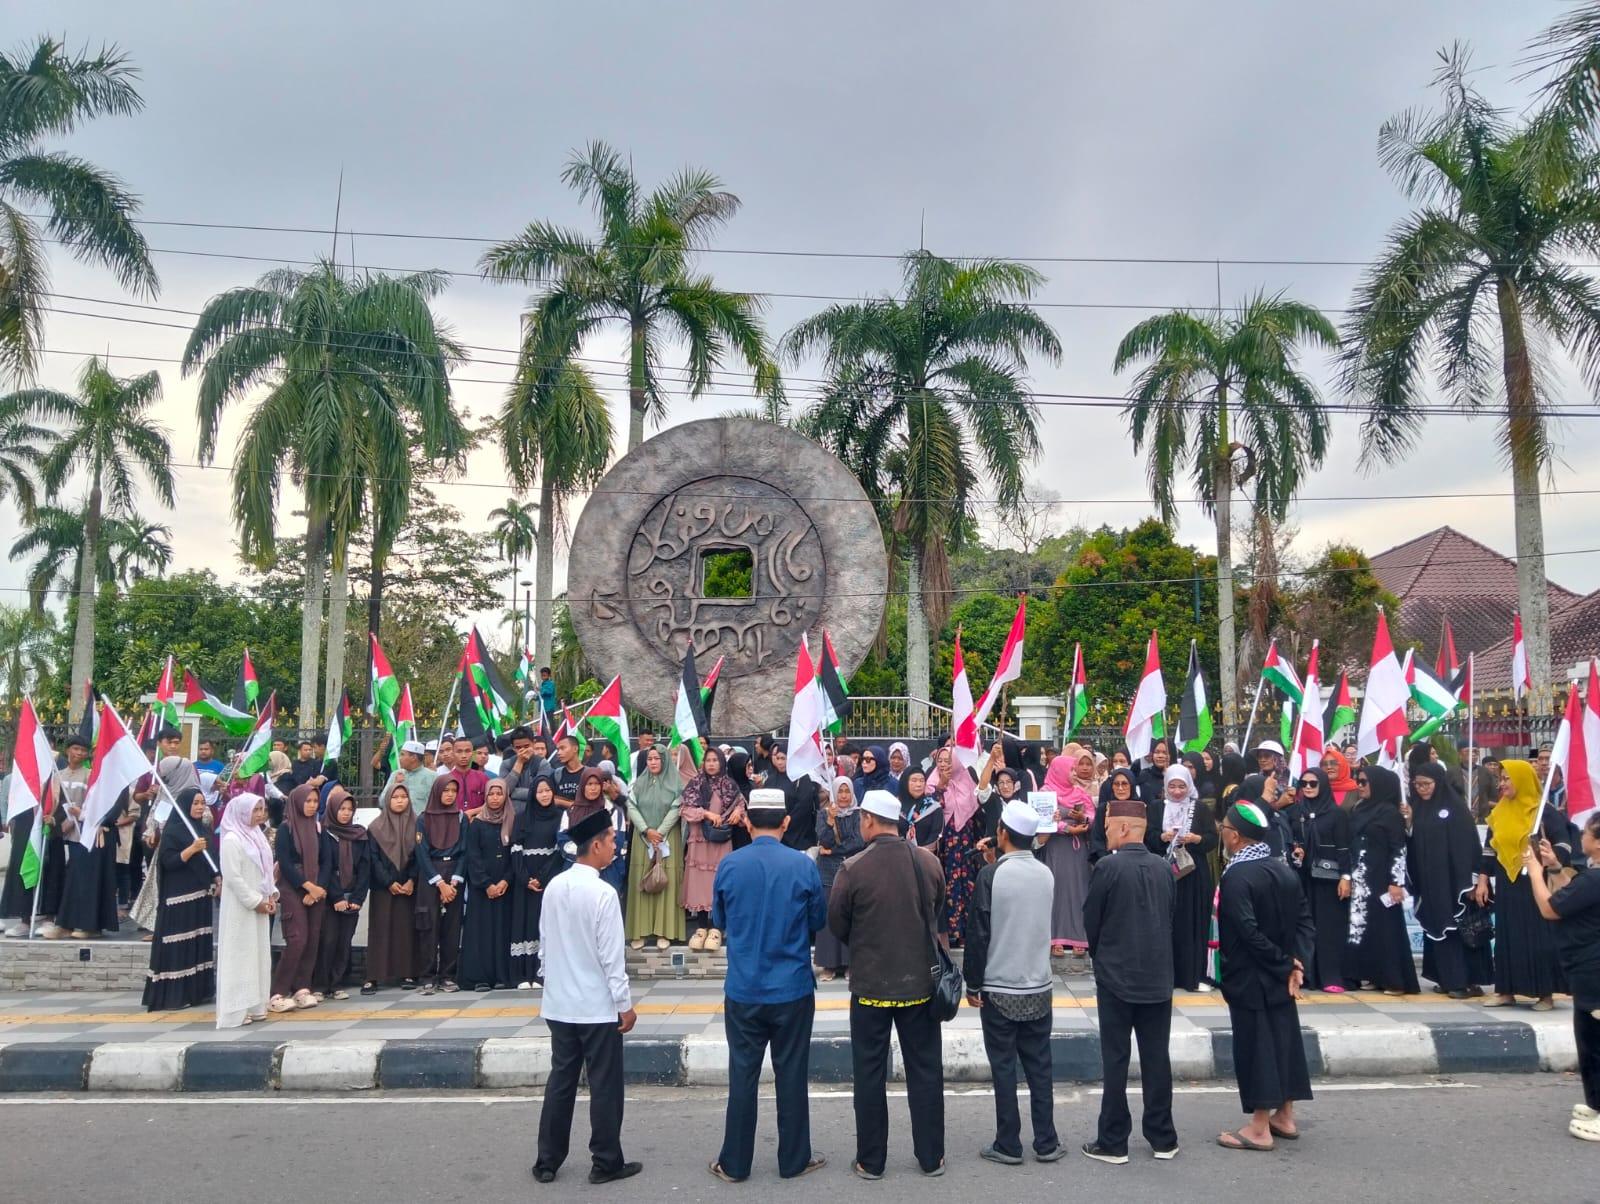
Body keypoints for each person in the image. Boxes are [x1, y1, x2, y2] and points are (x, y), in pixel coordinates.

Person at [708, 789, 828, 1183]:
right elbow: (816, 921)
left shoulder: (729, 865)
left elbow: (720, 921)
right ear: (786, 821)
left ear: (746, 820)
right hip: (792, 988)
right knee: (791, 1074)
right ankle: (794, 1160)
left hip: (743, 988)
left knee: (742, 1075)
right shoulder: (802, 866)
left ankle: (735, 1163)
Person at [827, 788, 947, 1180]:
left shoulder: (853, 868)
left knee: (869, 1074)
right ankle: (931, 1157)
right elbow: (936, 909)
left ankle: (871, 1160)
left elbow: (838, 925)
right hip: (919, 989)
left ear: (868, 820)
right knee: (925, 1071)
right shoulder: (928, 863)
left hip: (871, 991)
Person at [532, 807, 642, 1186]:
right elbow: (612, 957)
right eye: (611, 839)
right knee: (604, 1084)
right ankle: (606, 1161)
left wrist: (551, 985)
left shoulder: (555, 887)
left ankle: (547, 1161)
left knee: (561, 1081)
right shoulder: (603, 893)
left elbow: (544, 946)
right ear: (595, 845)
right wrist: (624, 1004)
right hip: (596, 1007)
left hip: (560, 1004)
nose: (615, 845)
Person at [963, 800, 1062, 1166]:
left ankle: (1008, 1142)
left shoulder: (991, 876)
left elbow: (978, 934)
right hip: (1038, 986)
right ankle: (1047, 1141)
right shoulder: (1046, 873)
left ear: (1002, 833)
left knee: (1004, 1068)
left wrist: (972, 984)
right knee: (1040, 1067)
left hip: (999, 987)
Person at [1081, 793, 1177, 1165]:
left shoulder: (1107, 868)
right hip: (1157, 977)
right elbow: (1170, 916)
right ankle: (1163, 1137)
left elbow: (1092, 920)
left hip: (1116, 978)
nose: (1105, 836)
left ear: (1123, 827)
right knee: (1157, 1058)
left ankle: (1113, 1140)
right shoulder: (1162, 867)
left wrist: (1099, 954)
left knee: (1116, 1059)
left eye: (1106, 828)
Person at [1215, 800, 1315, 1152]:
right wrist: (1296, 963)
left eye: (1224, 828)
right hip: (1280, 976)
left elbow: (1247, 932)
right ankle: (1284, 1115)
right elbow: (1305, 919)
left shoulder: (1238, 876)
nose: (1222, 833)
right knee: (1283, 1040)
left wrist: (1285, 964)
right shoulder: (1281, 868)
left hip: (1252, 976)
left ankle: (1259, 1127)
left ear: (1236, 836)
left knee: (1256, 1047)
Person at [1525, 814, 1600, 1141]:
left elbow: (1551, 908)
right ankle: (1596, 1104)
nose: (1580, 835)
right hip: (1585, 968)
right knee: (1588, 1040)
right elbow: (1572, 897)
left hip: (1594, 969)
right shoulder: (1591, 877)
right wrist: (1554, 866)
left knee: (1596, 1044)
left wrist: (1534, 872)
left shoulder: (1596, 880)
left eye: (1585, 832)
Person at [1476, 759, 1569, 1010]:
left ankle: (1544, 994)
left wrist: (1551, 856)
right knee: (1507, 935)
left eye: (1507, 779)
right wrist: (1483, 880)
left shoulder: (1542, 811)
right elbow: (1489, 848)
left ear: (1522, 780)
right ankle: (1506, 990)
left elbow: (1564, 843)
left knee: (1538, 935)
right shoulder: (1500, 812)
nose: (1502, 783)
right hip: (1509, 880)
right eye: (1501, 779)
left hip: (1536, 881)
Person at [1408, 762, 1490, 998]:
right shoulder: (1418, 808)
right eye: (1417, 784)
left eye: (1426, 784)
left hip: (1454, 882)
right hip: (1430, 882)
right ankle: (1444, 978)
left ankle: (1462, 981)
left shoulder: (1455, 808)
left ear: (1439, 783)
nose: (1422, 789)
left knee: (1455, 928)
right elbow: (1413, 843)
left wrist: (1472, 881)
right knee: (1436, 927)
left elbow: (1468, 846)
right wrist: (1408, 823)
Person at [1344, 765, 1419, 995]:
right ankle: (1374, 974)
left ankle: (1394, 979)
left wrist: (1396, 883)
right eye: (1359, 781)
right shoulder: (1359, 809)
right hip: (1362, 879)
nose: (1360, 785)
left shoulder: (1389, 813)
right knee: (1365, 927)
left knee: (1386, 929)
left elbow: (1398, 849)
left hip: (1382, 880)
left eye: (1365, 782)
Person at [142, 787, 217, 1011]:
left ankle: (197, 991)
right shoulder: (173, 831)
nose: (200, 807)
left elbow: (211, 859)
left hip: (200, 895)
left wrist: (216, 878)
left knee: (196, 942)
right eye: (195, 803)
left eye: (202, 803)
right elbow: (168, 862)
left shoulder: (202, 829)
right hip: (178, 898)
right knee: (178, 943)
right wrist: (191, 849)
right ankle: (175, 994)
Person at [216, 792, 277, 1028]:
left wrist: (271, 895)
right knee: (239, 954)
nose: (260, 814)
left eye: (262, 809)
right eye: (255, 810)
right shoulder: (232, 839)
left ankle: (256, 1005)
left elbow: (266, 870)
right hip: (241, 907)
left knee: (257, 953)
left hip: (260, 904)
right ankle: (234, 1011)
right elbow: (233, 878)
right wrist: (255, 901)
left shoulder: (256, 836)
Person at [270, 784, 333, 1012]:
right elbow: (285, 863)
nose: (312, 805)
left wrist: (318, 888)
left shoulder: (318, 828)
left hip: (316, 889)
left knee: (313, 939)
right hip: (293, 888)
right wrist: (307, 887)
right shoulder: (286, 829)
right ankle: (278, 992)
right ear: (296, 802)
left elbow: (327, 861)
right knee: (297, 939)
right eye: (308, 801)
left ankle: (302, 988)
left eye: (315, 802)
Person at [1155, 763, 1216, 992]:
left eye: (1182, 786)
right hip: (1165, 872)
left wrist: (1195, 839)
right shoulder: (1157, 807)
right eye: (1173, 786)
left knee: (1193, 922)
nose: (1177, 791)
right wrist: (1163, 836)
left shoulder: (1198, 808)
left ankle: (1193, 974)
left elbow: (1212, 839)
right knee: (1168, 922)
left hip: (1193, 872)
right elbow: (1149, 836)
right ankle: (1168, 975)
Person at [1292, 766, 1353, 992]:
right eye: (1304, 784)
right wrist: (1296, 851)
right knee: (1305, 926)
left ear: (1323, 786)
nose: (1307, 788)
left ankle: (1331, 976)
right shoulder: (1296, 813)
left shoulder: (1336, 814)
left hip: (1329, 880)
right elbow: (1290, 841)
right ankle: (1307, 975)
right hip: (1303, 878)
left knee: (1329, 928)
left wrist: (1345, 877)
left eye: (1313, 783)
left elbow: (1344, 848)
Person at [679, 746, 745, 951]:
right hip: (700, 840)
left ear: (722, 762)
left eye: (715, 760)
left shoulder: (730, 785)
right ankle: (701, 928)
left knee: (719, 882)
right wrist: (706, 814)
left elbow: (741, 807)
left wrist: (738, 813)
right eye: (708, 760)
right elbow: (685, 809)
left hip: (721, 840)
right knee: (700, 882)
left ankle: (717, 928)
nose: (711, 764)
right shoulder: (695, 784)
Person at [1038, 745, 1096, 959]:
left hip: (1077, 851)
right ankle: (1055, 938)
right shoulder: (1045, 793)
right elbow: (1041, 819)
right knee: (1056, 891)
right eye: (1071, 770)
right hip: (1055, 848)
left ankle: (1079, 937)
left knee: (1078, 890)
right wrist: (1065, 827)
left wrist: (1083, 820)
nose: (1074, 773)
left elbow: (1092, 817)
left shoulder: (1080, 793)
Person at [312, 785, 369, 1001]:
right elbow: (324, 867)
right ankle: (320, 984)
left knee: (345, 941)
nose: (345, 813)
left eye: (349, 809)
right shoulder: (324, 833)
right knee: (327, 940)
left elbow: (365, 868)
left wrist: (357, 898)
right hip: (330, 898)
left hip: (352, 896)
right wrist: (336, 897)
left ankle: (336, 984)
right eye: (341, 808)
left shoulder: (360, 834)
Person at [459, 778, 516, 990]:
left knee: (502, 931)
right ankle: (479, 977)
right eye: (491, 794)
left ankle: (501, 975)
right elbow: (472, 857)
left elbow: (515, 856)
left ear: (505, 796)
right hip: (482, 890)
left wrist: (504, 881)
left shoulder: (512, 821)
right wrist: (487, 884)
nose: (494, 798)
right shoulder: (477, 824)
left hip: (505, 888)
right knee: (481, 932)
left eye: (499, 794)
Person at [624, 746, 684, 949]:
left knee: (666, 881)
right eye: (649, 759)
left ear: (665, 760)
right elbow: (631, 806)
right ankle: (639, 932)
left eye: (657, 759)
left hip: (667, 840)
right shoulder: (639, 783)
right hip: (643, 839)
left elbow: (677, 807)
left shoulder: (675, 783)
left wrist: (660, 832)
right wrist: (646, 830)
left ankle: (664, 931)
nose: (653, 762)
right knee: (642, 881)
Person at [511, 773, 567, 988]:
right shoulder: (522, 817)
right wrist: (525, 878)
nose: (544, 795)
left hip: (548, 879)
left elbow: (558, 850)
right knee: (524, 922)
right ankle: (523, 974)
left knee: (545, 924)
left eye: (548, 791)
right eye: (540, 791)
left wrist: (542, 877)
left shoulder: (559, 817)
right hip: (525, 879)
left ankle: (543, 973)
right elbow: (516, 849)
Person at [364, 782, 420, 994]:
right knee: (380, 929)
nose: (399, 801)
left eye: (403, 797)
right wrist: (389, 882)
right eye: (395, 797)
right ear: (387, 800)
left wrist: (411, 880)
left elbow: (419, 856)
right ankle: (374, 976)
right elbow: (373, 858)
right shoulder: (375, 827)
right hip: (383, 888)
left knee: (406, 930)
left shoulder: (418, 824)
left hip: (408, 886)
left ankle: (407, 972)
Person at [415, 777, 467, 995]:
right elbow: (421, 853)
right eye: (445, 790)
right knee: (429, 926)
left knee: (451, 928)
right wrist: (439, 883)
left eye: (454, 790)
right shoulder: (423, 819)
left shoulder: (461, 818)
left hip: (454, 873)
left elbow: (465, 850)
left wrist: (454, 881)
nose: (449, 794)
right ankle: (427, 976)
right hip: (431, 877)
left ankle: (448, 975)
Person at [930, 747, 984, 947]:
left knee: (966, 885)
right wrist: (941, 787)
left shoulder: (967, 782)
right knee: (946, 886)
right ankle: (949, 932)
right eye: (940, 760)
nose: (943, 764)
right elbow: (931, 808)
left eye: (948, 760)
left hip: (965, 846)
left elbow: (977, 808)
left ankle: (964, 932)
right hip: (944, 847)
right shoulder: (931, 782)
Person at [814, 778, 864, 980]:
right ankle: (829, 964)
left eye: (847, 791)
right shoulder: (824, 814)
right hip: (828, 872)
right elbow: (823, 839)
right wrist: (829, 822)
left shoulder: (858, 815)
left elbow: (857, 841)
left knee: (852, 916)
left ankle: (851, 963)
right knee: (830, 916)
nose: (843, 795)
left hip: (852, 868)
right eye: (840, 791)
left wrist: (833, 850)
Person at [381, 740, 436, 815]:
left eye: (402, 754)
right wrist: (395, 785)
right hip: (397, 823)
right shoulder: (395, 774)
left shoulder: (433, 777)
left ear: (414, 757)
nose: (399, 758)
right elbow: (382, 802)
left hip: (420, 824)